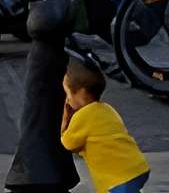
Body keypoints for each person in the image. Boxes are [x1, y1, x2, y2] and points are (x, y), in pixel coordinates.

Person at [59, 56, 152, 193]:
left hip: (118, 178)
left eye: (68, 94)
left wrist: (65, 120)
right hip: (137, 168)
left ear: (81, 93)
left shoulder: (83, 116)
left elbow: (68, 143)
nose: (67, 100)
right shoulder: (107, 109)